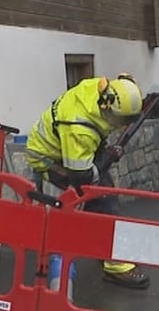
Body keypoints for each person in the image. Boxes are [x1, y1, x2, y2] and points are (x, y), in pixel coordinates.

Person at [25, 74, 150, 290]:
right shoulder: (79, 129)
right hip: (51, 160)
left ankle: (106, 248)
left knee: (105, 192)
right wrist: (109, 156)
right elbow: (82, 177)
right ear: (106, 105)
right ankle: (114, 265)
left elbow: (125, 82)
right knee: (100, 197)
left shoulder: (100, 89)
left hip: (65, 149)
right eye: (119, 121)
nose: (120, 126)